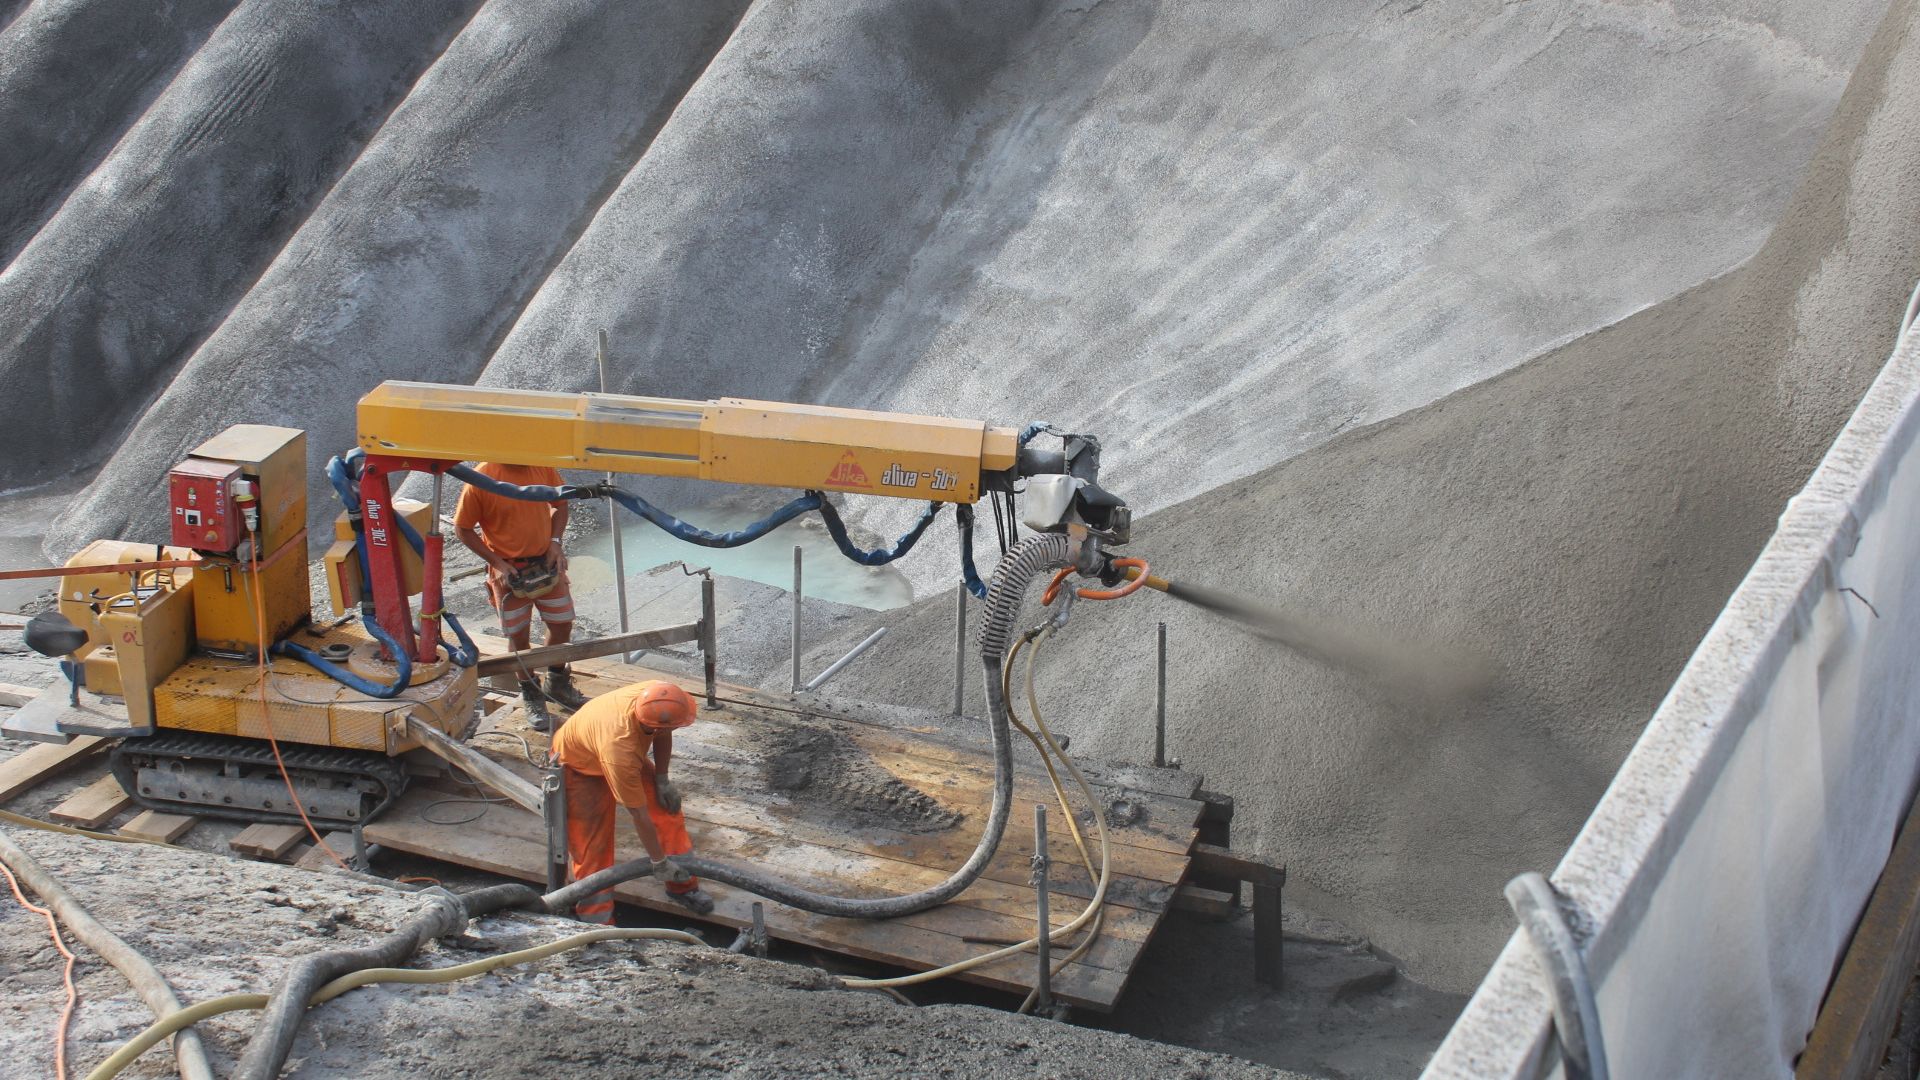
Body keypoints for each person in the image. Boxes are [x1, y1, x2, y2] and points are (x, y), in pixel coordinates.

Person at [549, 680, 713, 919]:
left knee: (666, 812)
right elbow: (639, 815)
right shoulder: (621, 751)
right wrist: (658, 861)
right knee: (593, 846)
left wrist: (662, 779)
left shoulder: (656, 696)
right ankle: (596, 920)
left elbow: (663, 731)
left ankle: (682, 886)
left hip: (605, 745)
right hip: (578, 765)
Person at [453, 461, 589, 730]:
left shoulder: (542, 467)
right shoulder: (481, 478)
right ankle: (531, 692)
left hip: (546, 563)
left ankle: (557, 682)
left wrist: (555, 542)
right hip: (509, 571)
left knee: (562, 624)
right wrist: (498, 564)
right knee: (518, 636)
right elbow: (463, 528)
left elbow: (561, 504)